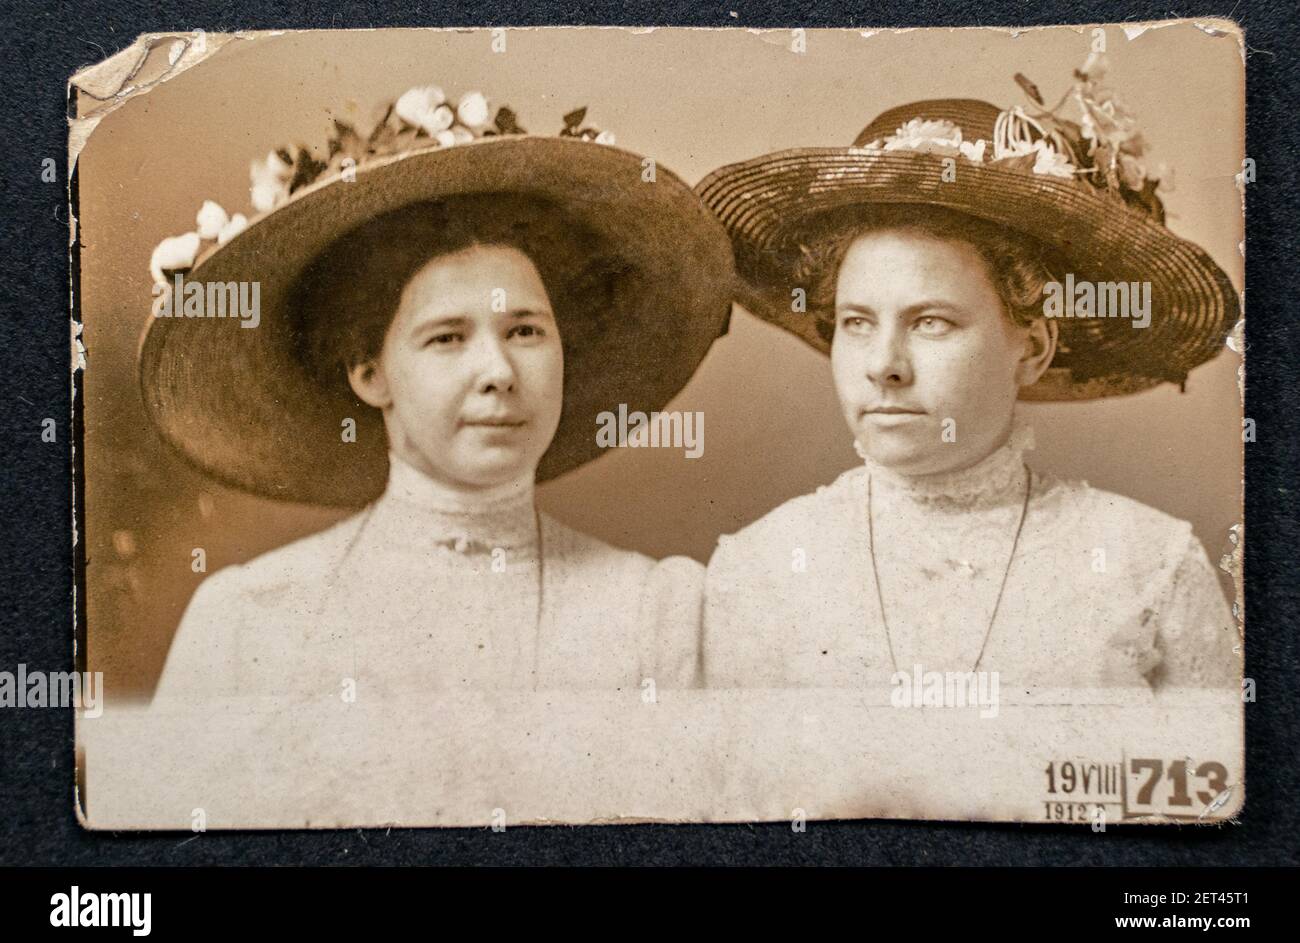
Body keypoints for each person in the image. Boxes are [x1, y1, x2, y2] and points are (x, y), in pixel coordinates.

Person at [144, 84, 733, 699]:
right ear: (370, 374)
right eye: (448, 338)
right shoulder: (249, 623)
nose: (498, 371)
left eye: (526, 330)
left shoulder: (653, 613)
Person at [694, 67, 1241, 694]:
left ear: (1031, 348)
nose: (884, 365)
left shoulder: (1150, 562)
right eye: (857, 321)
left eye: (931, 322)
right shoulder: (758, 569)